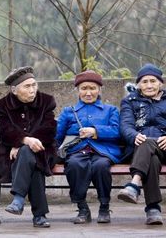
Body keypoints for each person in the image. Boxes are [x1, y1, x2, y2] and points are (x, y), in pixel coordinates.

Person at [0, 66, 56, 228]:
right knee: (32, 162)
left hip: (44, 149)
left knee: (30, 155)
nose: (32, 90)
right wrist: (23, 141)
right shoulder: (3, 105)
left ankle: (18, 199)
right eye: (27, 86)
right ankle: (39, 216)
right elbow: (4, 131)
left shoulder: (47, 101)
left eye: (34, 85)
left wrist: (21, 143)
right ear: (14, 90)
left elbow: (49, 130)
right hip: (10, 155)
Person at [55, 71, 122, 224]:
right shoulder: (68, 111)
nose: (88, 92)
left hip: (103, 151)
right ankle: (82, 208)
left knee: (101, 166)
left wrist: (95, 131)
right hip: (76, 150)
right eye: (84, 88)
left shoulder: (110, 110)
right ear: (78, 91)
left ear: (99, 90)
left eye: (92, 88)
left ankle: (104, 207)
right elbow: (58, 136)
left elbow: (117, 132)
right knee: (73, 164)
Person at [117, 63, 166, 225]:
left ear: (161, 83)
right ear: (138, 84)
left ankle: (134, 184)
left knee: (148, 145)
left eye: (153, 81)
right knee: (149, 153)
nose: (149, 85)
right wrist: (134, 135)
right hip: (140, 149)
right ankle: (153, 210)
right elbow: (125, 125)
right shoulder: (130, 101)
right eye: (144, 82)